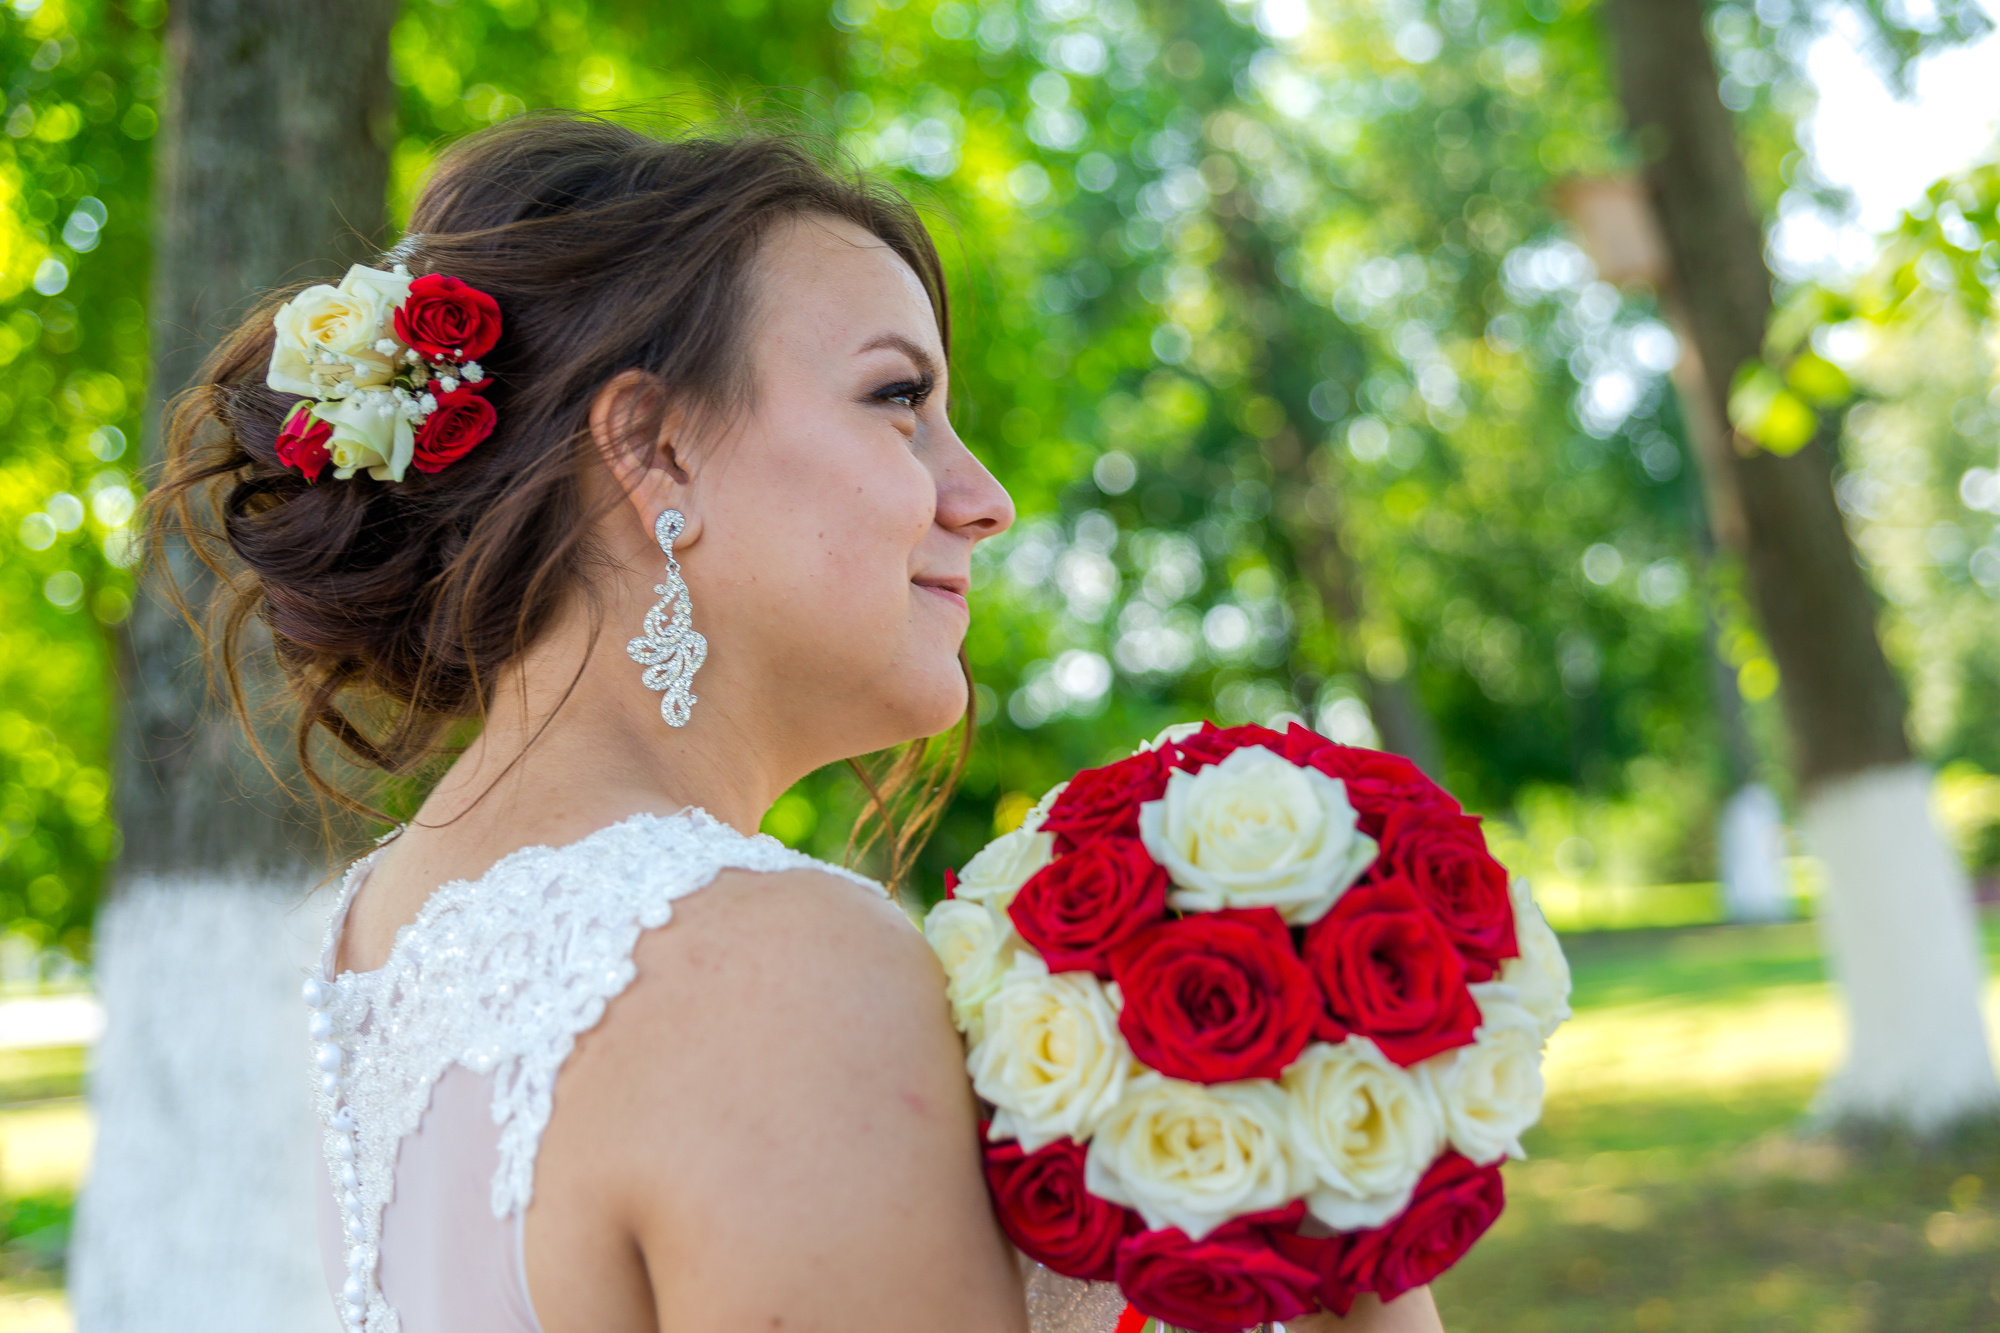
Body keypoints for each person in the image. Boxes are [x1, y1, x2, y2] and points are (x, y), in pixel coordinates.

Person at [153, 114, 1444, 1333]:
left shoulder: (306, 979)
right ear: (655, 449)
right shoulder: (774, 962)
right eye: (897, 398)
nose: (982, 497)